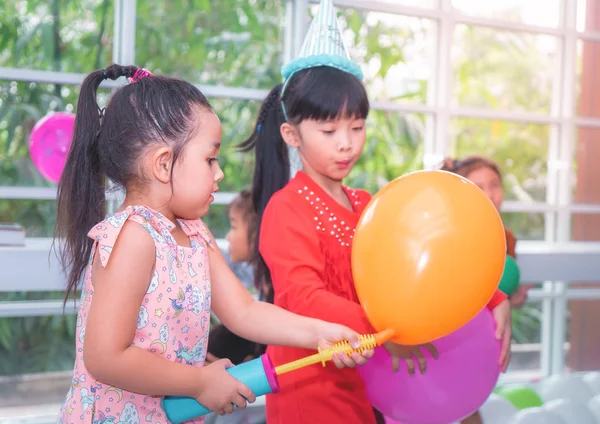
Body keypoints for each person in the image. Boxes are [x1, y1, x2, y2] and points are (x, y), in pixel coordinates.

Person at [239, 1, 512, 423]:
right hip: (310, 386)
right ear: (291, 134)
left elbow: (430, 255)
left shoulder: (368, 204)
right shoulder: (286, 208)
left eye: (357, 126)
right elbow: (301, 297)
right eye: (329, 131)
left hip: (367, 380)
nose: (346, 143)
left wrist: (494, 298)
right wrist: (388, 332)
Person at [53, 64, 373, 424]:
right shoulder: (133, 237)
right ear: (163, 164)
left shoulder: (193, 232)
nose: (219, 173)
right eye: (210, 159)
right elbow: (105, 357)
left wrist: (320, 333)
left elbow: (245, 312)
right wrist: (200, 381)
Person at [441, 155, 527, 424]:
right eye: (478, 187)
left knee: (468, 407)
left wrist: (513, 299)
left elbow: (495, 294)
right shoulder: (445, 235)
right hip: (440, 339)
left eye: (494, 185)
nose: (489, 194)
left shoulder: (506, 238)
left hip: (477, 346)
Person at [207, 188, 266, 366]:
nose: (228, 237)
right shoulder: (260, 280)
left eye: (233, 226)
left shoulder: (274, 286)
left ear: (257, 233)